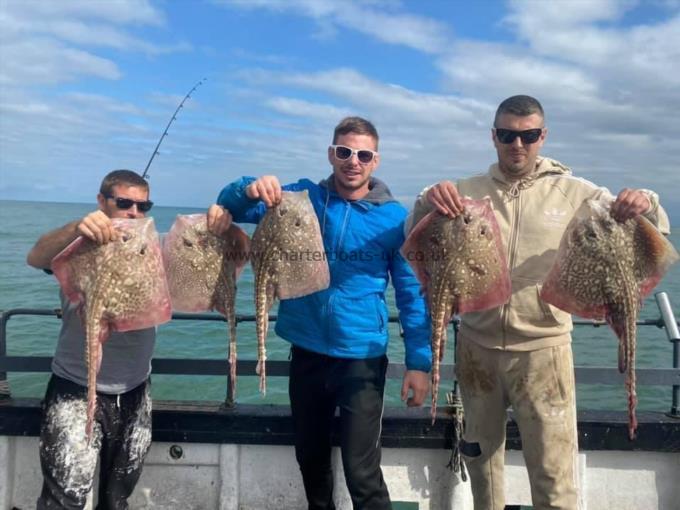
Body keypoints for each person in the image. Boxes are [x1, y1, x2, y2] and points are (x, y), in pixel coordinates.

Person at [407, 95, 670, 510]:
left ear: (542, 137)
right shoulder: (465, 191)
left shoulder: (575, 192)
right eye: (508, 135)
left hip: (545, 350)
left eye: (528, 135)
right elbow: (416, 231)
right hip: (477, 347)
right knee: (482, 468)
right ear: (494, 137)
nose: (518, 145)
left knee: (553, 473)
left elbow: (647, 224)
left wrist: (647, 201)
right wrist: (427, 198)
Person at [217, 117, 432, 510]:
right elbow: (231, 206)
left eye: (363, 154)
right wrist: (250, 185)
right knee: (311, 460)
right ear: (331, 154)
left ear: (375, 161)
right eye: (345, 152)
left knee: (361, 470)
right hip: (307, 351)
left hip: (361, 356)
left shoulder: (394, 219)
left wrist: (420, 362)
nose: (353, 161)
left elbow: (411, 293)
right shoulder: (301, 198)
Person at [27, 169, 231, 510]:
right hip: (75, 388)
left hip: (135, 391)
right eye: (124, 203)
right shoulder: (78, 244)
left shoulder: (152, 246)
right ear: (101, 202)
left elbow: (198, 255)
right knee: (64, 500)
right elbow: (36, 256)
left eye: (143, 205)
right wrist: (77, 228)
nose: (134, 213)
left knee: (117, 496)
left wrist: (219, 219)